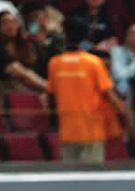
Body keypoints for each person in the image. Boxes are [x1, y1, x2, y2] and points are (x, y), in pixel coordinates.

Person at [47, 16, 128, 164]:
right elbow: (110, 95)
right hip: (92, 131)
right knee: (90, 181)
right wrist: (125, 117)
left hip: (67, 131)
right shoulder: (93, 63)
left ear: (65, 34)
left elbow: (51, 96)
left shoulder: (54, 63)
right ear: (85, 36)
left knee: (70, 181)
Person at [0, 12, 46, 94]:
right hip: (1, 89)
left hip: (29, 85)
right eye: (5, 23)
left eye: (13, 22)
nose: (10, 26)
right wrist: (46, 86)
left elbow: (38, 65)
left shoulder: (26, 44)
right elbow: (17, 70)